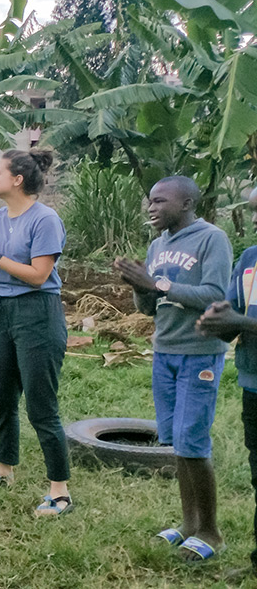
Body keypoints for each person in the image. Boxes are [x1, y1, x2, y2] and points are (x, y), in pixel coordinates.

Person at [115, 175, 231, 560]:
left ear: (186, 203)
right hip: (164, 351)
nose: (151, 207)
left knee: (193, 442)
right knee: (177, 443)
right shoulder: (156, 245)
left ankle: (211, 532)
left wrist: (157, 284)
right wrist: (138, 285)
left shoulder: (210, 238)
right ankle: (188, 524)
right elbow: (148, 308)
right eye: (150, 201)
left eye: (161, 201)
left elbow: (215, 294)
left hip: (199, 353)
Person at [0, 148, 72, 516]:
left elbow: (39, 276)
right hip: (2, 311)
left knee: (41, 404)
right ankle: (3, 468)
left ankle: (59, 490)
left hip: (37, 312)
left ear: (18, 179)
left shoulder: (45, 219)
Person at [197, 187, 257, 574]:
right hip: (253, 385)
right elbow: (235, 319)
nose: (254, 220)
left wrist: (241, 323)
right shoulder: (250, 259)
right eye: (253, 212)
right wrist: (217, 321)